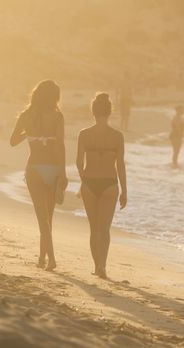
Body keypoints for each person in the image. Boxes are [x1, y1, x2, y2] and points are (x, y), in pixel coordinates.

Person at [10, 80, 68, 271]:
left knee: (41, 218)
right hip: (52, 168)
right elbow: (60, 146)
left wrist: (29, 133)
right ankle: (48, 258)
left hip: (34, 168)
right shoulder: (58, 117)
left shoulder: (26, 115)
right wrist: (63, 173)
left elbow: (13, 141)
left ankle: (45, 258)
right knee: (48, 217)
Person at [76, 93, 127, 279]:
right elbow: (120, 165)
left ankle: (96, 265)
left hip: (89, 183)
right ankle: (102, 266)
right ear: (110, 112)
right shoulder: (117, 136)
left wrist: (83, 181)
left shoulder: (84, 134)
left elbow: (78, 163)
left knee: (93, 228)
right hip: (110, 184)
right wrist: (125, 191)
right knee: (104, 229)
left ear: (93, 111)